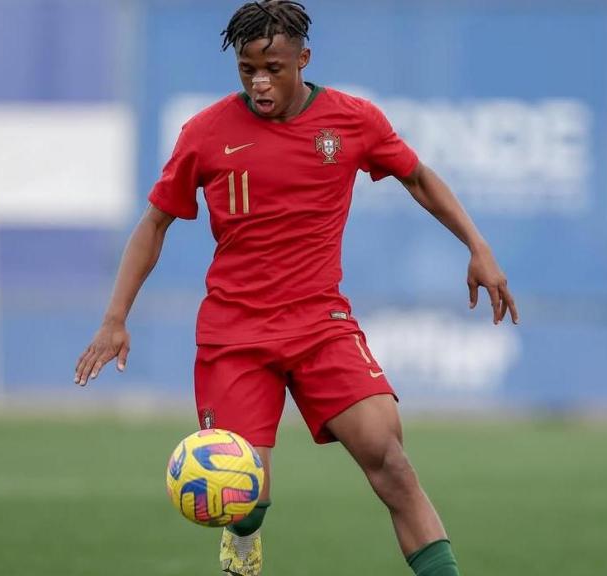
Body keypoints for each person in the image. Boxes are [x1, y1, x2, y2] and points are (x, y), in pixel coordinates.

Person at [74, 2, 518, 575]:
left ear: (303, 60)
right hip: (235, 334)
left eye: (274, 68)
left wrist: (477, 247)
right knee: (247, 496)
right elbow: (154, 223)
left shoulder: (353, 120)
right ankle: (242, 538)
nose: (260, 82)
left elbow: (418, 177)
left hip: (320, 324)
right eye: (247, 68)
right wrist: (115, 318)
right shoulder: (205, 134)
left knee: (390, 460)